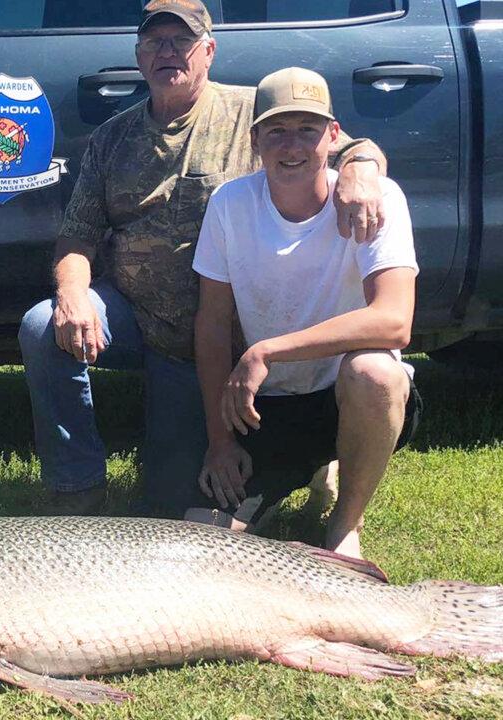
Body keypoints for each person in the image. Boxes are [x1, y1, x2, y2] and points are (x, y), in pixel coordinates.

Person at [18, 0, 389, 517]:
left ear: (208, 51)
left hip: (226, 334)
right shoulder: (111, 138)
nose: (168, 52)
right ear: (139, 55)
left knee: (171, 506)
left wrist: (363, 170)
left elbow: (343, 144)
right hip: (137, 319)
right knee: (41, 326)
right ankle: (76, 485)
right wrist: (73, 292)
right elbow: (77, 237)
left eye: (182, 42)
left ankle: (314, 454)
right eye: (155, 43)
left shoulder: (254, 115)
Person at [187, 67, 420, 559]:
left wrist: (266, 350)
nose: (291, 146)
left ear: (334, 136)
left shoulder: (380, 200)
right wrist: (218, 441)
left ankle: (344, 524)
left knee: (375, 371)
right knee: (203, 536)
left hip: (347, 392)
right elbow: (210, 325)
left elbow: (395, 321)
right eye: (276, 131)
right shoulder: (230, 204)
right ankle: (312, 465)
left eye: (307, 131)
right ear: (254, 140)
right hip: (267, 405)